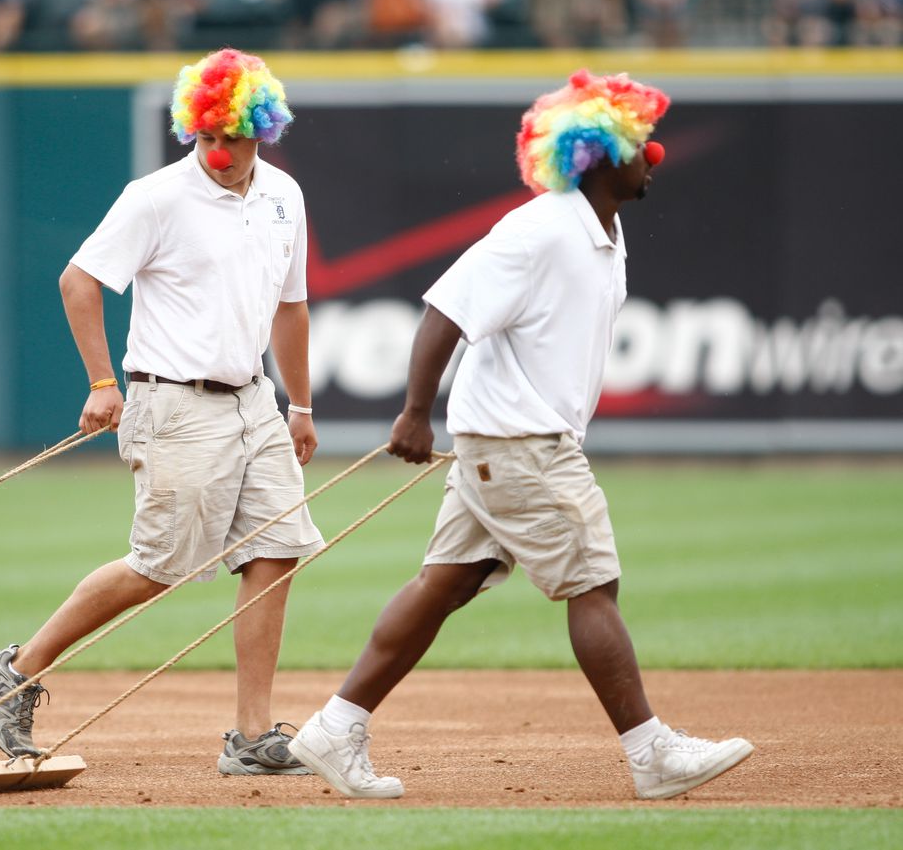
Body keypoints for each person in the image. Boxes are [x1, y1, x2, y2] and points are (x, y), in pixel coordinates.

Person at [287, 70, 754, 800]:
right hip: (521, 444)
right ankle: (650, 750)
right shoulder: (539, 228)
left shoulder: (605, 229)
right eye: (640, 145)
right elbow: (446, 309)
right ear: (599, 156)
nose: (653, 157)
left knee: (446, 582)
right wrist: (415, 410)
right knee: (593, 580)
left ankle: (333, 726)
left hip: (512, 441)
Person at [0, 47, 324, 776]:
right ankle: (19, 665)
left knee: (278, 549)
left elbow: (291, 308)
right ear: (190, 129)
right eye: (208, 136)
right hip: (172, 398)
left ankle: (252, 735)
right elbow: (78, 281)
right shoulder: (156, 196)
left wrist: (301, 402)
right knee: (161, 565)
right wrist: (103, 381)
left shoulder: (283, 195)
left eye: (235, 135)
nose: (221, 152)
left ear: (264, 128)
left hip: (255, 400)